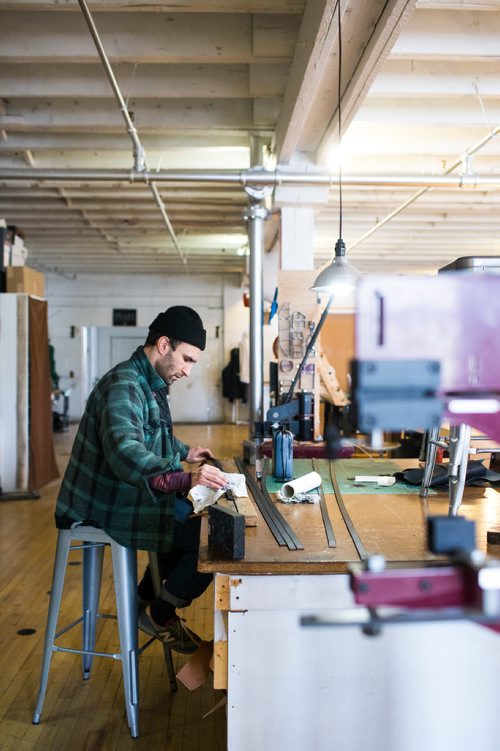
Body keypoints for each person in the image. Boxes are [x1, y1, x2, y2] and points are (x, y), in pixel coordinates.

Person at [55, 306, 227, 654]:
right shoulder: (123, 386)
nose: (188, 371)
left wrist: (185, 451)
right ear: (164, 345)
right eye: (187, 359)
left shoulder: (150, 383)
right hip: (104, 503)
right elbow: (126, 452)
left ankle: (144, 601)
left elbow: (151, 434)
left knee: (200, 523)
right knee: (217, 541)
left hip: (128, 493)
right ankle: (158, 613)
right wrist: (184, 478)